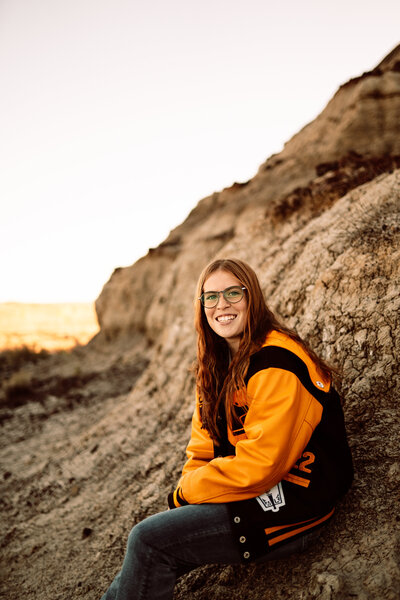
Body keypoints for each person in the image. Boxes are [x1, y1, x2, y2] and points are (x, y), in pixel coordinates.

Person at [100, 258, 353, 600]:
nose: (222, 305)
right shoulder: (215, 365)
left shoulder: (277, 363)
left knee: (148, 541)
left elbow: (262, 465)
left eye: (234, 293)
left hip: (298, 500)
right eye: (211, 297)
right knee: (153, 541)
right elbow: (202, 448)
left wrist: (187, 494)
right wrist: (190, 493)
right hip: (248, 487)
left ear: (253, 299)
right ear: (201, 305)